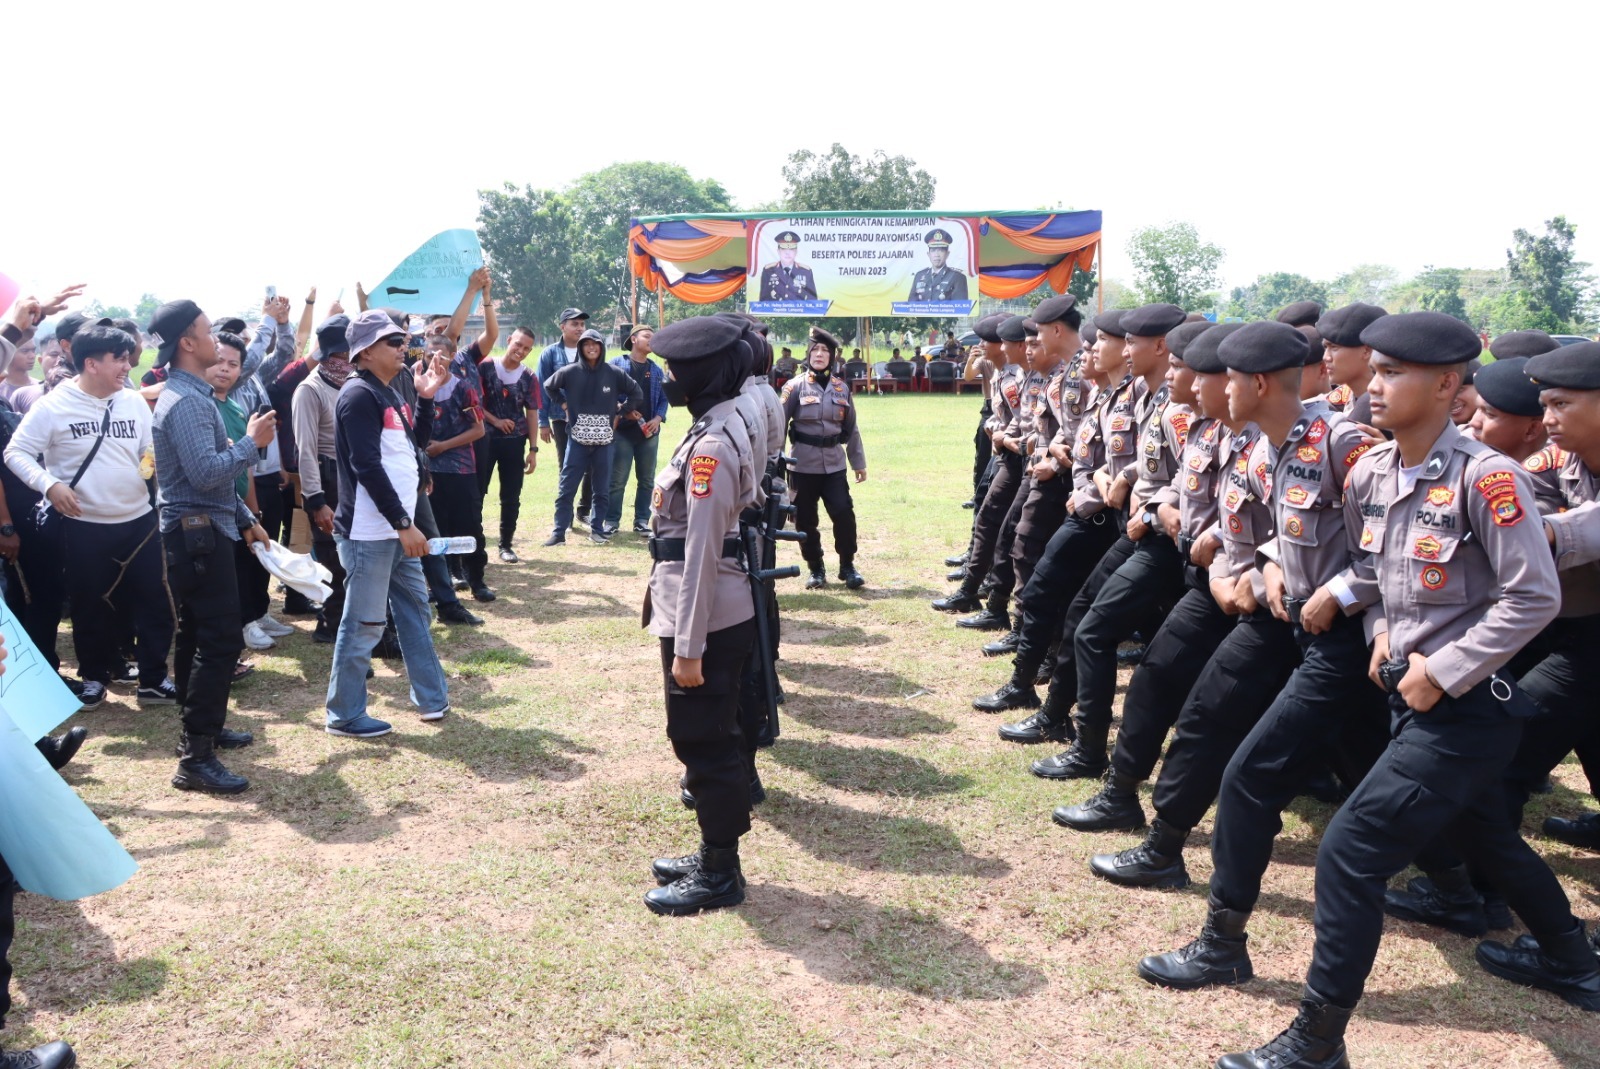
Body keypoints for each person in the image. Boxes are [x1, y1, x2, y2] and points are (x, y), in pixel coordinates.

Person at [1214, 313, 1598, 1069]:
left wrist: (1443, 666)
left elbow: (1533, 597)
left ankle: (1318, 1041)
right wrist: (1383, 623)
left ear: (1448, 384)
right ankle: (1575, 959)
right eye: (1376, 370)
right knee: (1483, 830)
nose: (1374, 384)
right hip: (1404, 691)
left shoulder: (1490, 478)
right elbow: (1376, 567)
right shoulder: (1370, 472)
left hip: (1463, 709)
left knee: (1350, 853)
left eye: (1395, 373)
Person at [639, 316, 760, 915]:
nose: (667, 375)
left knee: (701, 738)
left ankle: (720, 873)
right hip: (709, 611)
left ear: (702, 374)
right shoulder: (714, 424)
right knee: (715, 734)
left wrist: (688, 647)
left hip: (705, 619)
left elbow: (702, 553)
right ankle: (715, 854)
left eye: (676, 367)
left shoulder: (710, 444)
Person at [4, 322, 176, 707]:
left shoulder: (131, 401)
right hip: (84, 525)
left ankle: (153, 679)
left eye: (128, 359)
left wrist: (155, 464)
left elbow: (149, 447)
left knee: (153, 601)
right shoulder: (53, 406)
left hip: (140, 522)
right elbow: (15, 454)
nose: (126, 367)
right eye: (118, 359)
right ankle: (95, 678)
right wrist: (50, 485)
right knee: (89, 605)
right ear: (90, 364)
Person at [147, 299, 275, 794]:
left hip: (205, 528)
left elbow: (205, 478)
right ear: (187, 343)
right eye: (206, 332)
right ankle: (195, 755)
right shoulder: (187, 403)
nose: (216, 343)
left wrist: (245, 518)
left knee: (201, 636)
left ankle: (203, 730)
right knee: (219, 638)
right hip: (196, 534)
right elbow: (204, 474)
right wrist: (252, 442)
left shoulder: (193, 397)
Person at [324, 310, 454, 737]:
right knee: (363, 624)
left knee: (416, 609)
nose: (402, 348)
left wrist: (428, 398)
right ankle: (343, 715)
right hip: (370, 533)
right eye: (392, 343)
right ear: (364, 352)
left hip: (397, 530)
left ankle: (432, 698)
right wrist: (402, 522)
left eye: (402, 341)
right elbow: (366, 466)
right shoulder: (358, 395)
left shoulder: (390, 391)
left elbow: (413, 446)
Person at [782, 326, 866, 589]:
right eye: (815, 350)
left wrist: (858, 463)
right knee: (805, 520)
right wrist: (774, 462)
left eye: (824, 351)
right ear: (808, 354)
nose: (819, 354)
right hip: (802, 464)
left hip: (834, 464)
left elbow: (851, 428)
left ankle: (847, 566)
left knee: (843, 513)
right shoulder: (793, 387)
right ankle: (815, 568)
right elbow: (778, 426)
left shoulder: (842, 389)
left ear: (832, 357)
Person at [542, 328, 644, 545]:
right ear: (581, 347)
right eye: (587, 344)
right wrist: (563, 404)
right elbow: (548, 386)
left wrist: (622, 411)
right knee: (566, 487)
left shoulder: (613, 372)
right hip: (577, 440)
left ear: (601, 347)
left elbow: (636, 392)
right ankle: (559, 532)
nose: (591, 347)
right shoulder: (569, 372)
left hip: (605, 442)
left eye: (595, 344)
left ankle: (597, 530)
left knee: (601, 488)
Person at [293, 315, 353, 644]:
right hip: (326, 484)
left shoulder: (352, 383)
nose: (348, 362)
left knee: (352, 562)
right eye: (343, 356)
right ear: (328, 356)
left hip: (351, 482)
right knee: (333, 563)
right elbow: (306, 450)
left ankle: (340, 624)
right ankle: (331, 627)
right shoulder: (310, 390)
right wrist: (316, 501)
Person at [425, 347, 492, 602]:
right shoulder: (418, 385)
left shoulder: (464, 388)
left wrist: (443, 446)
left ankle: (477, 581)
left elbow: (478, 430)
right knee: (434, 529)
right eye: (429, 353)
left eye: (441, 354)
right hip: (429, 470)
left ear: (452, 356)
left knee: (470, 525)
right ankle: (437, 586)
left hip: (461, 468)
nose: (435, 359)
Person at [477, 325, 542, 560]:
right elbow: (473, 403)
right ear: (508, 340)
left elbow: (532, 413)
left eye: (526, 348)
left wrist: (533, 449)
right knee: (477, 493)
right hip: (482, 440)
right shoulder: (483, 367)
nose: (521, 350)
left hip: (515, 443)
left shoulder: (529, 377)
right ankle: (475, 544)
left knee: (511, 494)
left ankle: (506, 545)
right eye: (518, 344)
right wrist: (495, 420)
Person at [606, 325, 668, 535]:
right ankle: (611, 521)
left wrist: (658, 419)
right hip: (622, 432)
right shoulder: (616, 364)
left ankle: (641, 520)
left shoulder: (657, 370)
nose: (651, 340)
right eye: (647, 336)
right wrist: (623, 411)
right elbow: (606, 393)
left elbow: (663, 399)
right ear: (633, 339)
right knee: (617, 479)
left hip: (648, 434)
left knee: (647, 480)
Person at [536, 308, 595, 525]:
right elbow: (542, 388)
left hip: (590, 418)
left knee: (591, 465)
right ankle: (566, 515)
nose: (580, 328)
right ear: (563, 327)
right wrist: (542, 422)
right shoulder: (550, 354)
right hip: (560, 418)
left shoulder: (591, 350)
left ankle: (584, 510)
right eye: (575, 324)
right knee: (567, 465)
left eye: (582, 324)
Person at [906, 229, 968, 301]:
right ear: (928, 254)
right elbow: (911, 306)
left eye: (941, 250)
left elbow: (960, 308)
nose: (936, 255)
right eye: (933, 250)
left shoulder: (958, 278)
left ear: (947, 254)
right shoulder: (919, 276)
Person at [758, 231, 818, 301]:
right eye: (783, 249)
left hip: (798, 311)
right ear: (778, 251)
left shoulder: (806, 272)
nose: (787, 252)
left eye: (791, 249)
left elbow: (812, 301)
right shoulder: (768, 271)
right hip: (775, 312)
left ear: (796, 252)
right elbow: (763, 300)